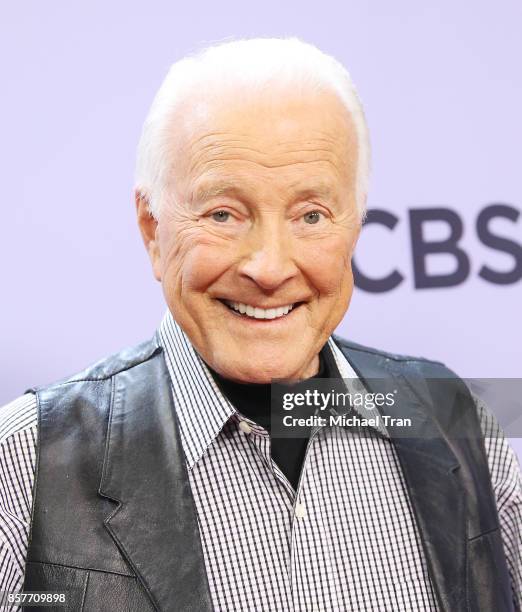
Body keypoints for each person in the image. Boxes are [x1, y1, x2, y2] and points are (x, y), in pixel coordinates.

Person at [0, 38, 520, 612]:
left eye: (311, 215)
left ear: (356, 225)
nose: (269, 268)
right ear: (153, 229)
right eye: (223, 214)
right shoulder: (27, 456)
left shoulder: (451, 414)